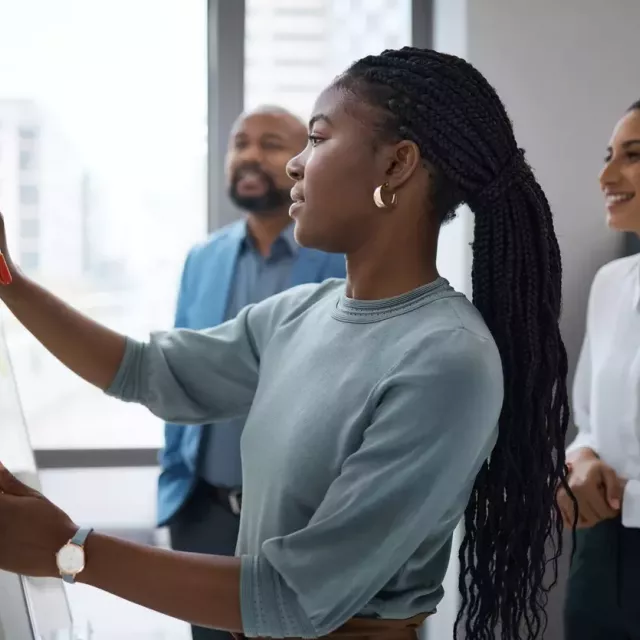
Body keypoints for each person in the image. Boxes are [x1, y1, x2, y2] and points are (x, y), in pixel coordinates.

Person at [0, 47, 569, 640]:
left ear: (397, 165)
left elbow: (294, 597)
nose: (296, 165)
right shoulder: (300, 313)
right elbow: (148, 372)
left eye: (317, 140)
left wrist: (68, 551)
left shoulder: (447, 359)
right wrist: (7, 278)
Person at [161, 106, 346, 640]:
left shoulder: (343, 256)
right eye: (239, 143)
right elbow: (177, 370)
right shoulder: (203, 259)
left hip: (310, 522)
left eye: (270, 143)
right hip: (206, 515)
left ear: (304, 162)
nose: (248, 155)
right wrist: (178, 484)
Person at [557, 100, 640, 640]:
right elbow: (587, 420)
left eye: (632, 156)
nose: (605, 175)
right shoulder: (611, 282)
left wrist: (614, 495)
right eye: (608, 156)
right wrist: (581, 460)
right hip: (600, 557)